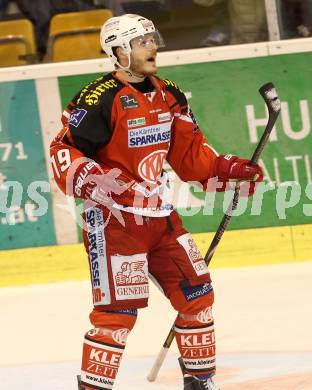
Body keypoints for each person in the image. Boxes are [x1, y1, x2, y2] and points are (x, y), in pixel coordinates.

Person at [50, 13, 263, 390]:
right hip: (114, 222)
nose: (153, 46)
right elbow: (62, 150)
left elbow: (191, 156)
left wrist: (227, 168)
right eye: (142, 41)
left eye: (152, 39)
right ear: (119, 51)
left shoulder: (170, 94)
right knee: (116, 316)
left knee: (198, 298)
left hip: (161, 219)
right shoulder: (98, 98)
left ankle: (199, 381)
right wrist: (93, 176)